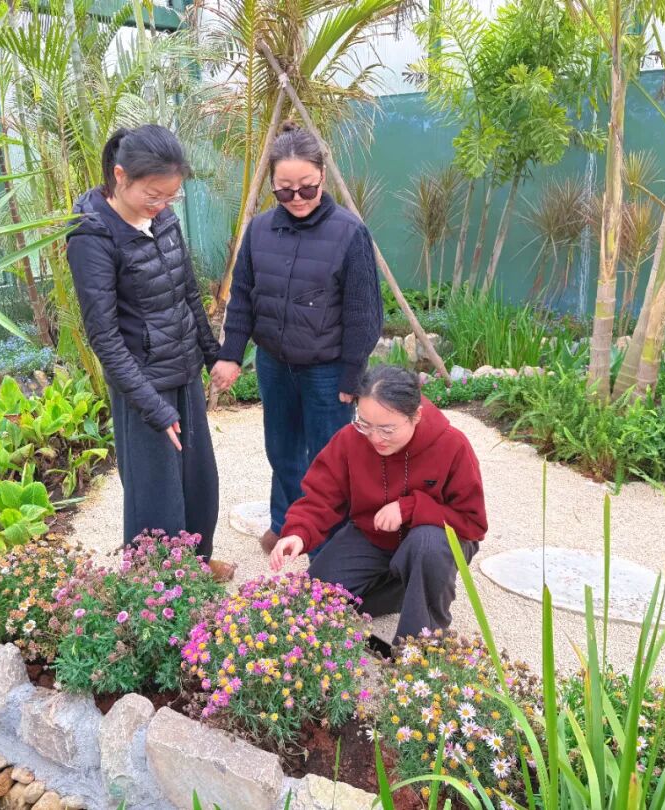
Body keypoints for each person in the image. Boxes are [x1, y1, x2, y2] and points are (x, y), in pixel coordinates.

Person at [66, 125, 235, 581]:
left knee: (198, 480)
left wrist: (212, 355)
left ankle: (196, 564)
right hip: (141, 384)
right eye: (153, 195)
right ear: (121, 176)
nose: (161, 205)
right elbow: (104, 337)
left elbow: (186, 294)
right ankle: (156, 588)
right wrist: (155, 409)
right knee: (155, 492)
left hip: (182, 369)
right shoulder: (92, 235)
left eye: (170, 196)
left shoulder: (162, 218)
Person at [210, 122, 384, 556]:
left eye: (307, 187)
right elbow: (243, 297)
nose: (297, 198)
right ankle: (285, 522)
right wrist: (231, 354)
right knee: (282, 450)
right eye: (284, 191)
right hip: (274, 364)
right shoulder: (259, 230)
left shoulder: (350, 233)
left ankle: (327, 543)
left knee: (329, 459)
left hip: (327, 370)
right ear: (272, 184)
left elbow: (364, 313)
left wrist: (352, 374)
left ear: (322, 176)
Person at [269, 365, 488, 642]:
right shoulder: (350, 439)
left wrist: (409, 508)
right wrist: (298, 532)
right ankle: (406, 590)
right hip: (373, 536)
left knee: (427, 544)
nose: (374, 438)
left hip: (434, 543)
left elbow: (473, 523)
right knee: (312, 602)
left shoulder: (452, 445)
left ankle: (417, 648)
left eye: (387, 429)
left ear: (416, 416)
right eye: (365, 424)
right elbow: (320, 495)